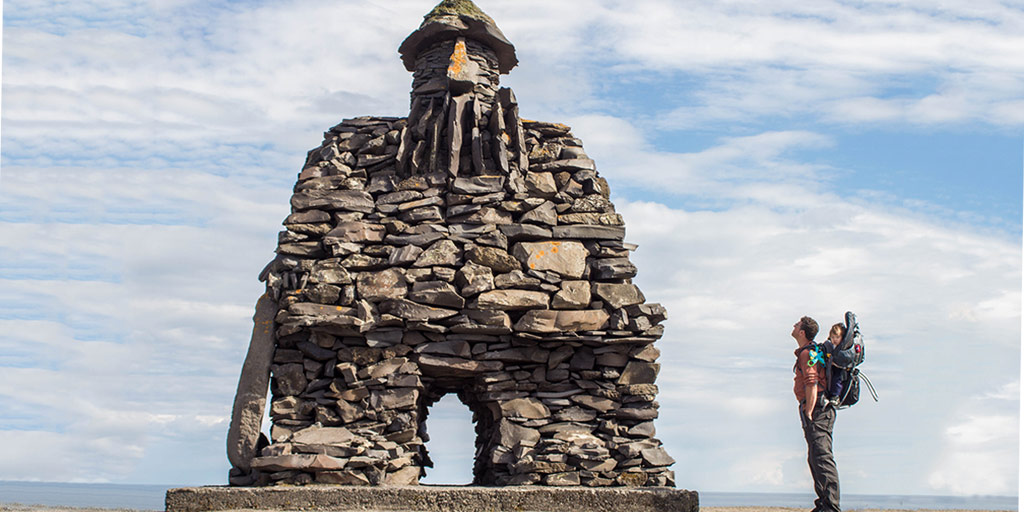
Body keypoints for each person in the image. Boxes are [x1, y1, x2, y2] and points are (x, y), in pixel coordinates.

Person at [792, 316, 840, 512]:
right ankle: (823, 504)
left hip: (817, 410)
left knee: (821, 457)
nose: (794, 326)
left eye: (796, 325)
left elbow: (811, 382)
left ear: (802, 332)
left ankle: (830, 507)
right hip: (819, 410)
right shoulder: (809, 351)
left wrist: (809, 411)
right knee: (815, 457)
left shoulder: (808, 353)